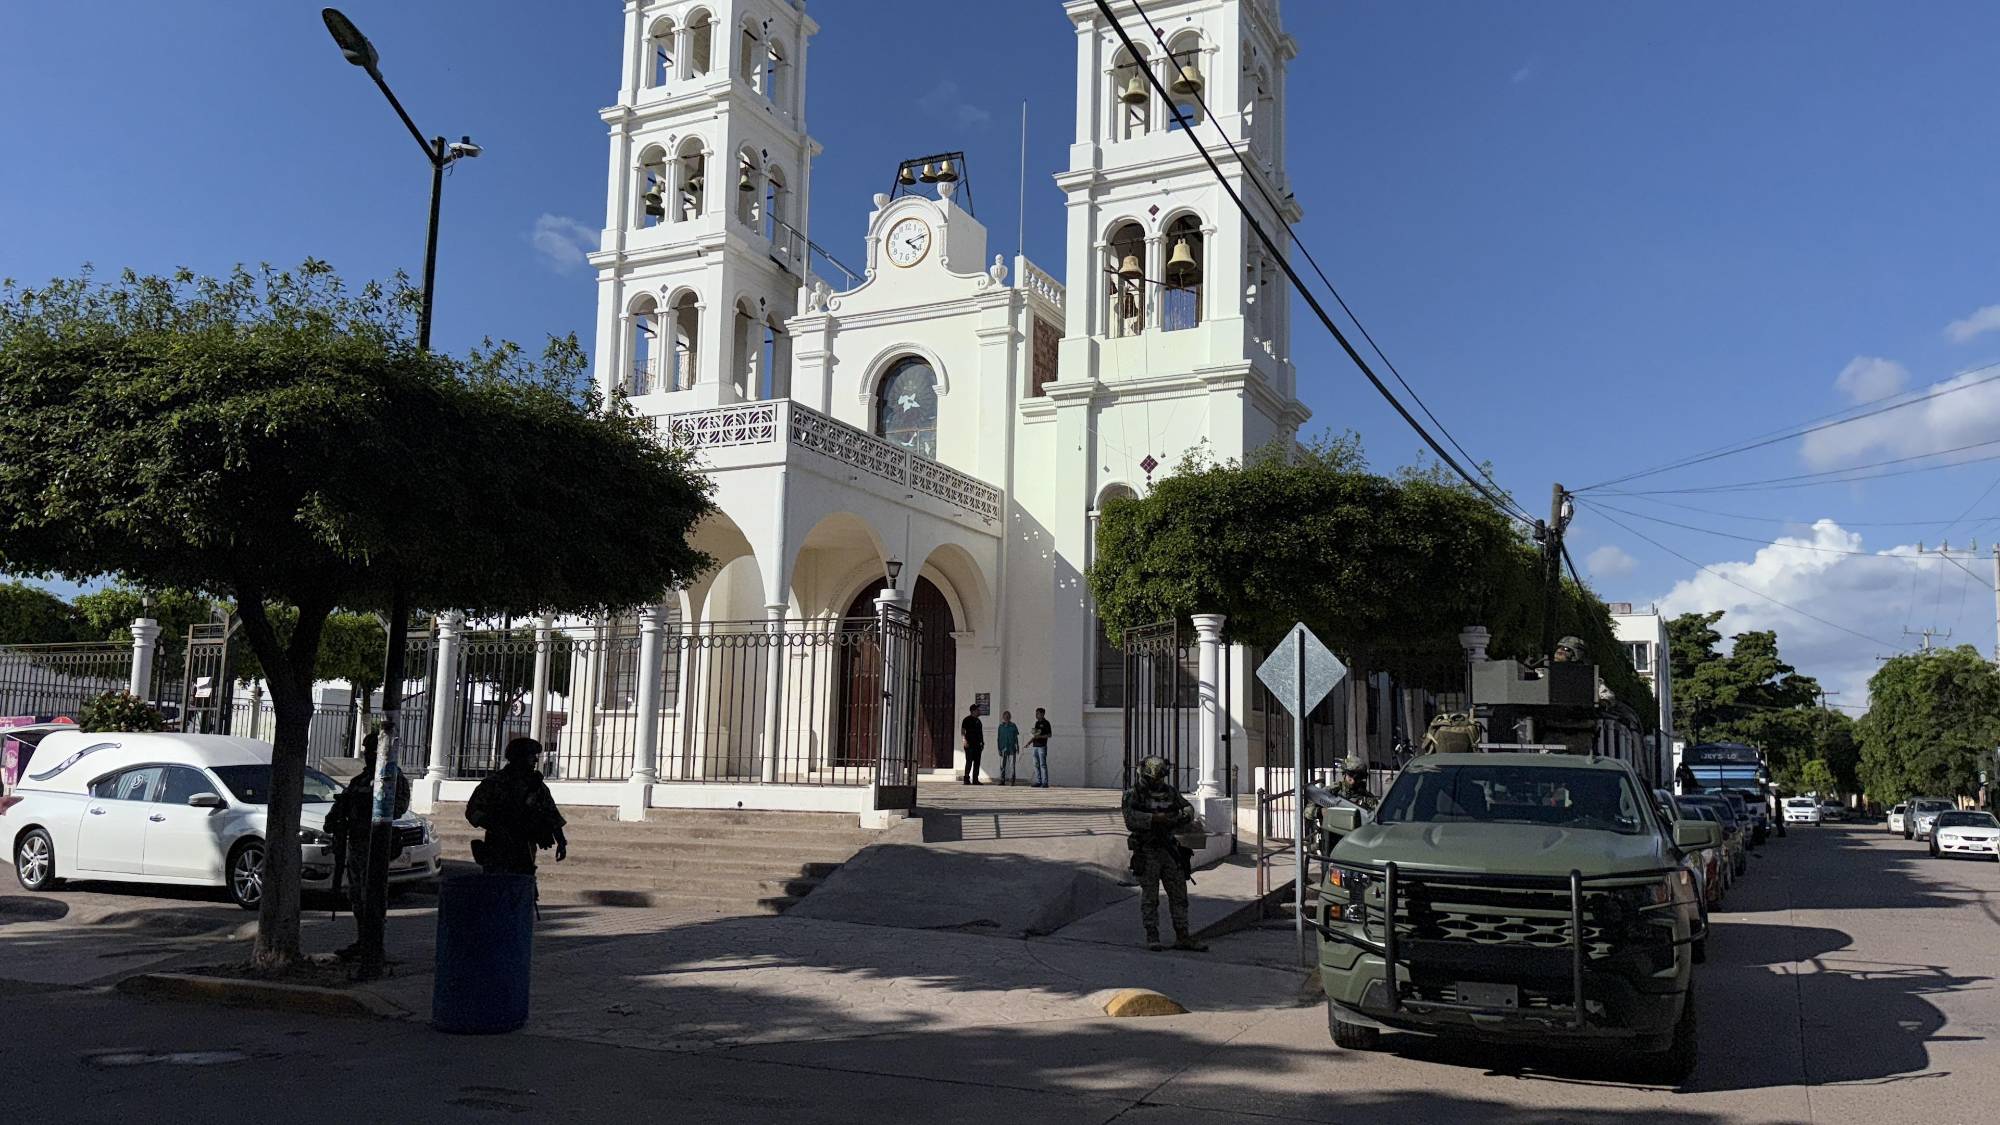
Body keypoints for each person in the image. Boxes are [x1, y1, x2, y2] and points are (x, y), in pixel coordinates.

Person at [324, 728, 410, 961]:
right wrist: (335, 819)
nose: (368, 755)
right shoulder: (359, 780)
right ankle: (362, 940)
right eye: (367, 750)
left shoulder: (392, 778)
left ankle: (373, 944)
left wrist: (372, 809)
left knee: (372, 895)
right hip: (357, 844)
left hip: (376, 845)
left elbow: (398, 808)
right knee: (356, 896)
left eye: (372, 750)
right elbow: (343, 805)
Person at [1121, 755, 1206, 952]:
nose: (1158, 782)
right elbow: (1130, 819)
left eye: (1160, 778)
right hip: (1147, 849)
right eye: (1154, 778)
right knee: (1150, 896)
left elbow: (1188, 808)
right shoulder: (1133, 794)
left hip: (1168, 849)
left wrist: (1176, 818)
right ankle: (1153, 935)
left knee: (1178, 894)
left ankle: (1182, 935)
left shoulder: (1169, 792)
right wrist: (1154, 819)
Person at [465, 737, 569, 876]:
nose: (535, 761)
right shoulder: (495, 783)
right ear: (519, 757)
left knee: (523, 887)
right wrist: (497, 825)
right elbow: (472, 811)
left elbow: (550, 812)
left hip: (525, 847)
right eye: (531, 756)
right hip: (498, 848)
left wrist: (561, 841)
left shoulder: (536, 785)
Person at [961, 703, 985, 785]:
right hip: (969, 744)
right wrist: (964, 740)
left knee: (977, 762)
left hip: (978, 745)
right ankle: (966, 779)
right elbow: (963, 731)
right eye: (978, 710)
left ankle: (975, 779)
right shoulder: (966, 720)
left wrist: (982, 743)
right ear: (973, 711)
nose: (979, 711)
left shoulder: (978, 721)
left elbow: (980, 733)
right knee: (969, 761)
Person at [1029, 708, 1053, 788]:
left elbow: (1049, 735)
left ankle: (1045, 782)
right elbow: (1035, 735)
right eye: (1036, 713)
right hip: (1035, 746)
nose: (1036, 715)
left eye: (1038, 713)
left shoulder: (1046, 723)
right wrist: (1029, 742)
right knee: (1036, 764)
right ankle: (1038, 781)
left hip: (1042, 746)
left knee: (1042, 764)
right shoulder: (1036, 723)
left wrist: (1041, 736)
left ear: (1042, 714)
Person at [996, 711, 1020, 785]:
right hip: (1003, 748)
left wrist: (1017, 746)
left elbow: (1016, 737)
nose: (1006, 718)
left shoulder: (1013, 726)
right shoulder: (1000, 727)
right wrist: (999, 749)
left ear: (1010, 717)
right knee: (1002, 765)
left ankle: (1012, 780)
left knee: (1012, 765)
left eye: (1008, 716)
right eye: (1005, 716)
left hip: (1012, 748)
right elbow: (998, 738)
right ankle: (1002, 780)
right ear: (1003, 717)